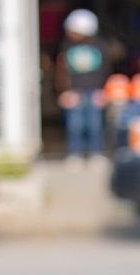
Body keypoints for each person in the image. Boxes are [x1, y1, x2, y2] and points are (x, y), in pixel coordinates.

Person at [55, 8, 111, 164]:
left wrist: (103, 90)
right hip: (74, 92)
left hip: (94, 91)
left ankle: (96, 153)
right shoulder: (66, 46)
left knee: (95, 125)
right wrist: (65, 91)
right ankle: (75, 154)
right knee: (75, 126)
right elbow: (61, 71)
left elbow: (106, 69)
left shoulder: (100, 46)